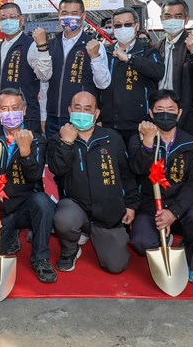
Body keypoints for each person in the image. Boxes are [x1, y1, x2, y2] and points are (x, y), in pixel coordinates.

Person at [47, 91, 139, 274]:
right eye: (77, 108)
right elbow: (57, 170)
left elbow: (126, 174)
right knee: (63, 220)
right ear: (69, 110)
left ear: (96, 114)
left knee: (116, 265)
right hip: (76, 207)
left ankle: (96, 234)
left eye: (87, 109)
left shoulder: (111, 138)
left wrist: (131, 204)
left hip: (107, 213)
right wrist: (66, 143)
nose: (82, 112)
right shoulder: (58, 139)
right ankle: (70, 249)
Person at [0, 89, 56, 282]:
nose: (10, 113)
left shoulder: (37, 139)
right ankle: (10, 236)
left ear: (24, 110)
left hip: (24, 206)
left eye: (15, 108)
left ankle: (41, 258)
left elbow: (34, 176)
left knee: (43, 202)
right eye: (5, 109)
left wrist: (25, 152)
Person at [128, 90, 193, 283]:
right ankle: (163, 241)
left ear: (179, 113)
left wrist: (174, 212)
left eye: (171, 109)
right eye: (160, 110)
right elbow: (137, 169)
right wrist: (147, 143)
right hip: (149, 206)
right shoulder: (137, 139)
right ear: (151, 112)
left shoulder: (192, 143)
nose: (166, 114)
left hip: (182, 205)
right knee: (140, 242)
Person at [42, 0, 111, 139]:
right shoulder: (51, 45)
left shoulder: (93, 46)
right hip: (53, 117)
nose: (68, 18)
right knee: (56, 158)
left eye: (74, 14)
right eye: (64, 13)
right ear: (59, 15)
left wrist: (95, 57)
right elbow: (44, 83)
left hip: (81, 119)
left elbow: (103, 83)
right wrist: (43, 115)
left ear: (83, 16)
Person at [99, 7, 165, 146]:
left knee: (140, 164)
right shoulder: (106, 52)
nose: (123, 28)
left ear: (137, 26)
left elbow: (158, 72)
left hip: (140, 124)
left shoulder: (148, 51)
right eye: (118, 25)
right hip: (111, 123)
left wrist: (129, 58)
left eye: (127, 24)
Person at [0, 3, 52, 134]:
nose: (7, 21)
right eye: (3, 18)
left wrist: (42, 47)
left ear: (21, 20)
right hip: (0, 115)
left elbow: (45, 75)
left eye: (12, 17)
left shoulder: (30, 45)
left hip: (25, 116)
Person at [156, 0, 193, 137]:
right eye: (168, 16)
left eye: (178, 16)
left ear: (186, 19)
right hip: (161, 113)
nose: (172, 20)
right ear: (161, 18)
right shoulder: (158, 46)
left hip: (189, 116)